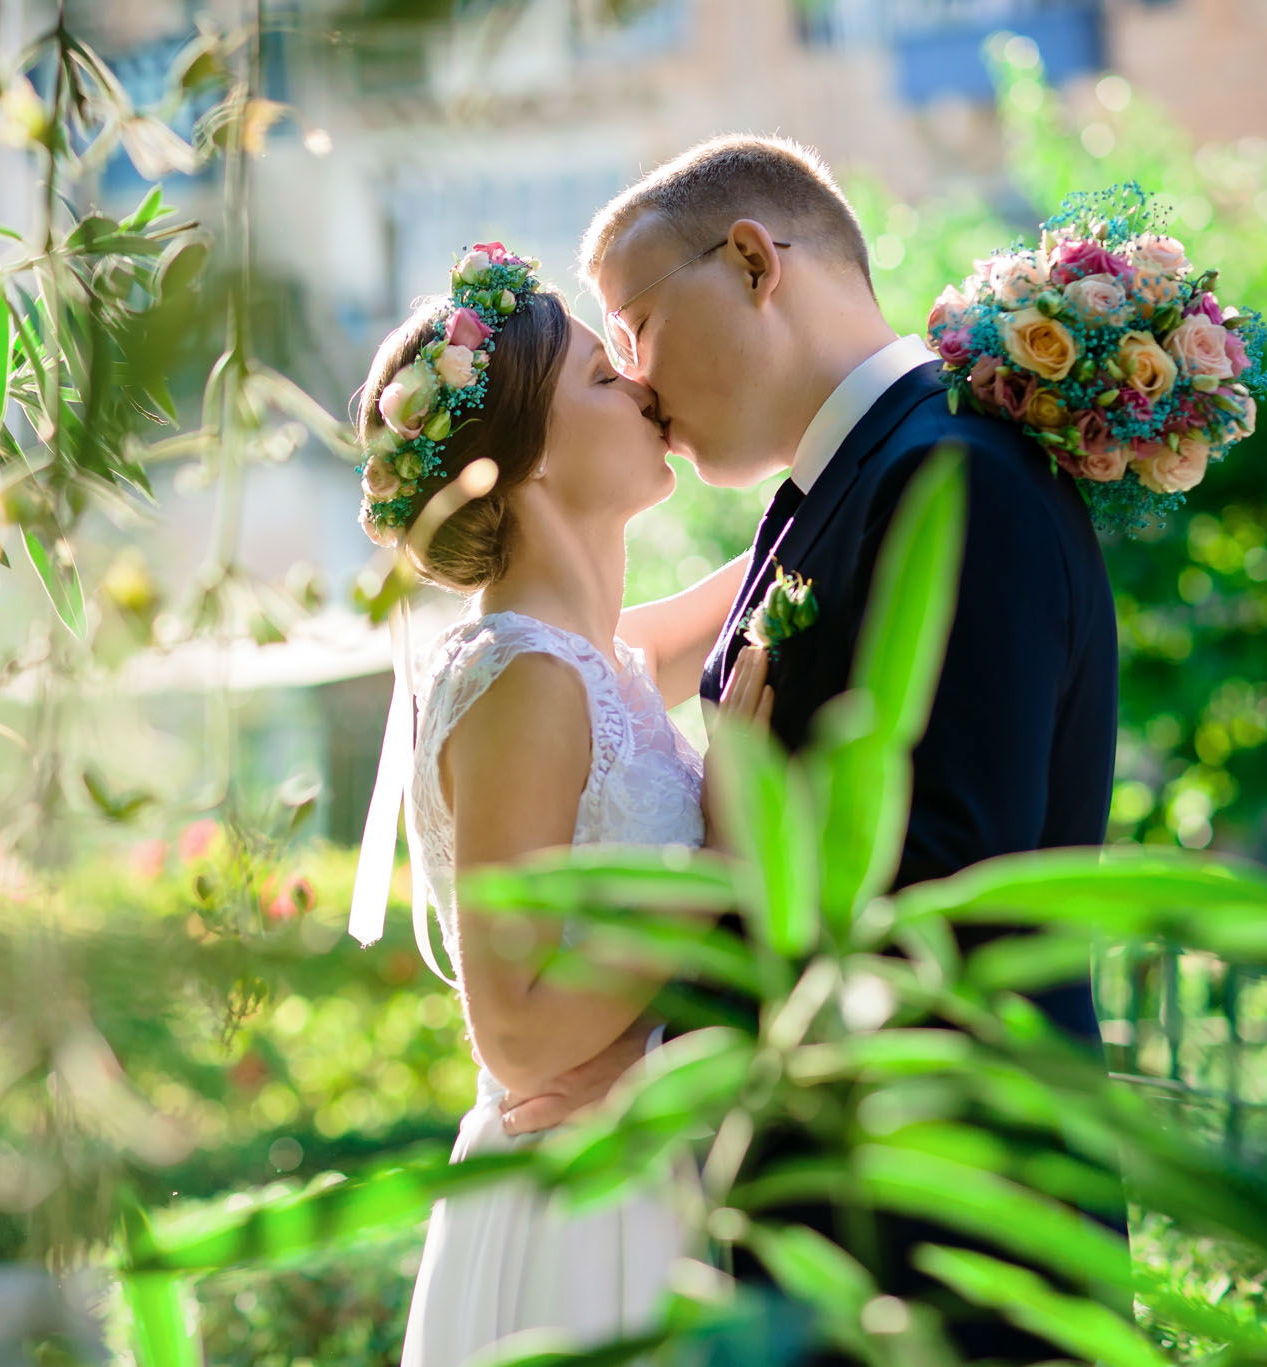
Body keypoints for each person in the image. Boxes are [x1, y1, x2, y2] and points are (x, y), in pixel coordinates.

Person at [494, 135, 1121, 1362]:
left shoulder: (953, 483)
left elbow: (937, 890)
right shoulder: (830, 499)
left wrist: (655, 1035)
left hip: (952, 1250)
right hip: (839, 1239)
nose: (632, 380)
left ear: (747, 263)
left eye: (630, 325)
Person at [351, 242, 764, 1366]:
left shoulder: (600, 658)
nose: (639, 386)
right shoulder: (525, 679)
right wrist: (724, 856)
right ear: (522, 460)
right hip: (580, 1209)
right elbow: (519, 1030)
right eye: (598, 376)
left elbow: (778, 564)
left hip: (635, 1165)